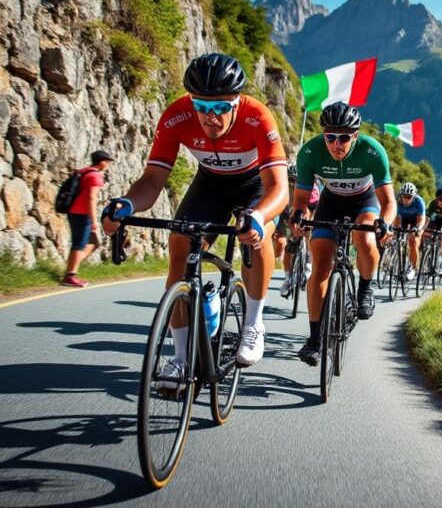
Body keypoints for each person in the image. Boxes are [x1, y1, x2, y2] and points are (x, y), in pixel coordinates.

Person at [102, 53, 288, 386]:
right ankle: (180, 359)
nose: (210, 117)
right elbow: (152, 181)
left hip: (254, 185)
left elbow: (279, 189)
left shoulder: (257, 117)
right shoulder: (176, 116)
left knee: (256, 239)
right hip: (211, 184)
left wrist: (258, 217)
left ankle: (253, 324)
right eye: (201, 106)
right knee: (179, 246)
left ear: (236, 102)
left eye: (221, 108)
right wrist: (126, 204)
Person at [290, 101, 396, 366]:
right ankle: (315, 340)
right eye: (330, 137)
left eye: (344, 138)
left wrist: (385, 223)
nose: (336, 144)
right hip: (331, 202)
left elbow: (389, 202)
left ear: (355, 136)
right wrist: (299, 215)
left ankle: (365, 289)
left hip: (365, 201)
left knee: (365, 237)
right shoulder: (310, 152)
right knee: (320, 266)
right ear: (324, 135)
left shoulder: (372, 151)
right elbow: (301, 199)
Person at [61, 150, 114, 288]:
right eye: (107, 161)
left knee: (93, 242)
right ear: (101, 161)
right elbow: (91, 198)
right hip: (82, 214)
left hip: (74, 212)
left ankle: (72, 267)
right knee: (79, 244)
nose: (108, 164)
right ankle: (70, 275)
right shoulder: (96, 176)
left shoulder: (84, 171)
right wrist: (94, 220)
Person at [277, 164, 319, 297]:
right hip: (288, 213)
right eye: (291, 180)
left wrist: (310, 224)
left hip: (309, 212)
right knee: (289, 246)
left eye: (296, 180)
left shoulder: (313, 188)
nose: (294, 183)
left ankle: (308, 265)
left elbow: (314, 208)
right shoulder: (284, 189)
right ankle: (287, 278)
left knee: (310, 237)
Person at [394, 182, 426, 280]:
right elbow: (397, 218)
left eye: (409, 197)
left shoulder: (419, 202)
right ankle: (395, 260)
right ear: (401, 195)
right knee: (396, 234)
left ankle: (412, 267)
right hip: (403, 219)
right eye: (404, 196)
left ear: (413, 196)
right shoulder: (397, 201)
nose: (406, 199)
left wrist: (417, 229)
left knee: (414, 241)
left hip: (416, 220)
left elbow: (421, 220)